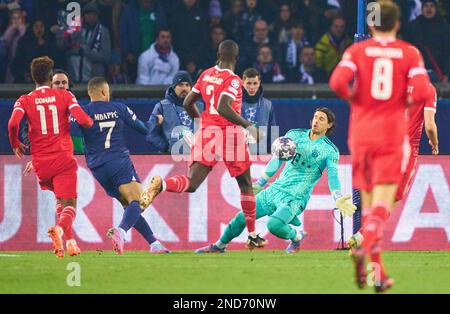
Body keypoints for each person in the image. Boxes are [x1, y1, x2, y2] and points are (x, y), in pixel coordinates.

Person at [329, 0, 432, 293]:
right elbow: (424, 90)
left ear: (371, 25)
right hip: (390, 135)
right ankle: (368, 253)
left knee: (371, 203)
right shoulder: (409, 53)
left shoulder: (357, 50)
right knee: (381, 209)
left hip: (361, 134)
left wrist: (357, 100)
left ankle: (377, 273)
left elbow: (337, 82)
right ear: (397, 24)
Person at [140, 40, 267, 250]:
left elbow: (188, 102)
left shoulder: (206, 74)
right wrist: (248, 126)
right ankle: (252, 235)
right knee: (245, 185)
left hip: (208, 130)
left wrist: (202, 122)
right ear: (236, 58)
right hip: (230, 134)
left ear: (218, 54)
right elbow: (223, 107)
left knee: (192, 183)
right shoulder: (234, 80)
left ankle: (161, 185)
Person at [195, 108, 356, 254]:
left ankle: (296, 237)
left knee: (274, 225)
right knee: (241, 217)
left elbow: (333, 176)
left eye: (321, 119)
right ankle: (219, 246)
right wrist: (260, 183)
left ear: (329, 125)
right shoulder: (294, 134)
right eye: (315, 117)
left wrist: (337, 197)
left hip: (296, 197)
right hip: (275, 190)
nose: (316, 121)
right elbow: (276, 160)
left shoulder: (330, 150)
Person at [7, 56, 93, 258]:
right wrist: (90, 123)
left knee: (60, 200)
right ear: (50, 76)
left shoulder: (24, 100)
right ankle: (60, 230)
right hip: (63, 159)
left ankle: (70, 243)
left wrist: (15, 144)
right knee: (70, 204)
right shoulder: (65, 96)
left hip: (40, 163)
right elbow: (82, 120)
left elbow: (12, 124)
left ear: (33, 77)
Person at [79, 77, 170, 254]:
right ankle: (121, 231)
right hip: (118, 161)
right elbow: (144, 129)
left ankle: (154, 243)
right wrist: (156, 121)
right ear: (105, 92)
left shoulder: (82, 112)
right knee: (137, 201)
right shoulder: (119, 108)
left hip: (97, 168)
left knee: (130, 207)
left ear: (90, 93)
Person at [348, 83, 439, 248]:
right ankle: (364, 235)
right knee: (393, 197)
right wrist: (434, 142)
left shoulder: (391, 83)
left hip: (381, 145)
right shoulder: (427, 88)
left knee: (376, 192)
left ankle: (365, 234)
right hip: (405, 150)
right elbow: (429, 126)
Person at [146, 71, 203, 154]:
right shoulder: (161, 106)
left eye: (187, 85)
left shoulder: (200, 107)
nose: (184, 88)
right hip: (171, 156)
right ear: (173, 87)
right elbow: (150, 133)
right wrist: (166, 147)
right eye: (180, 85)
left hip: (196, 157)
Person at [405, 0, 450, 82]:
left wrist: (446, 74)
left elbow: (447, 52)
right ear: (422, 9)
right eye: (426, 6)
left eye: (432, 6)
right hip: (416, 71)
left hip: (437, 72)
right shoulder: (414, 26)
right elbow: (407, 50)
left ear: (436, 9)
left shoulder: (443, 26)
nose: (429, 9)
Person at [241, 67, 276, 154]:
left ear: (259, 83)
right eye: (248, 83)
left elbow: (272, 132)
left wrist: (272, 153)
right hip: (238, 155)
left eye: (255, 83)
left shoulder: (268, 105)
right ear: (242, 83)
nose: (252, 87)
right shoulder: (234, 102)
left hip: (261, 155)